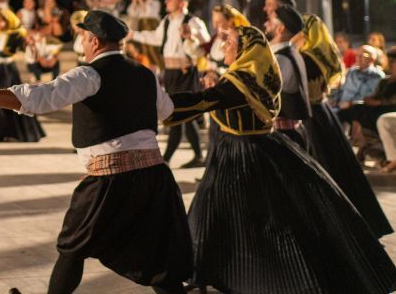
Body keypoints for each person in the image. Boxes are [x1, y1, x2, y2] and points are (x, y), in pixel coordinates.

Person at [0, 11, 192, 294]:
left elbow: (37, 98)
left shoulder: (89, 74)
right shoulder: (145, 73)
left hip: (110, 179)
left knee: (73, 247)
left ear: (93, 40)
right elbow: (167, 111)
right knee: (157, 257)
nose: (80, 41)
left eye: (81, 36)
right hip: (154, 176)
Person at [164, 20, 396, 294]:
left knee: (262, 222)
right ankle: (204, 270)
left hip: (247, 156)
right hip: (245, 151)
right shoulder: (252, 73)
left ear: (245, 51)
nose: (223, 45)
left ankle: (265, 277)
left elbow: (202, 101)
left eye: (230, 42)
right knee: (211, 213)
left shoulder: (242, 82)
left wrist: (152, 104)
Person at [298, 14, 393, 237]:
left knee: (326, 171)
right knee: (338, 170)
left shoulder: (308, 57)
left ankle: (337, 224)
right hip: (325, 116)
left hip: (316, 117)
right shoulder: (321, 54)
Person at [129, 0, 209, 167]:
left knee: (183, 114)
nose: (166, 1)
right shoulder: (166, 21)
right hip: (171, 73)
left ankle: (167, 158)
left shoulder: (194, 21)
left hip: (186, 73)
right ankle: (192, 156)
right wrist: (133, 34)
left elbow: (205, 43)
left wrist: (192, 35)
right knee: (178, 115)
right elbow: (155, 38)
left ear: (182, 3)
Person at [0, 8, 45, 143]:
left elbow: (24, 46)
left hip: (7, 70)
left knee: (0, 99)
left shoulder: (16, 35)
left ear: (7, 21)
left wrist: (29, 44)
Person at [265, 5, 311, 148]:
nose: (265, 24)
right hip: (286, 133)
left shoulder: (280, 59)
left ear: (281, 28)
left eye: (270, 21)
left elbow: (265, 92)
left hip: (285, 136)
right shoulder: (289, 52)